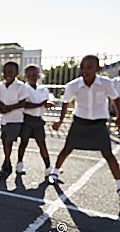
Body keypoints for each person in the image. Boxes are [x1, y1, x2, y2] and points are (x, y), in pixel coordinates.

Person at [48, 55, 120, 198]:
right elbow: (66, 102)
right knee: (67, 148)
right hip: (80, 123)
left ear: (98, 69)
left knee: (108, 154)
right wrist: (60, 121)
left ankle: (119, 185)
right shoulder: (73, 85)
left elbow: (115, 99)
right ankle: (54, 172)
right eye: (82, 67)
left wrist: (119, 116)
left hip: (99, 125)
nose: (85, 70)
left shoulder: (106, 83)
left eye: (89, 67)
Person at [16, 64, 55, 176]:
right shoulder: (23, 88)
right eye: (29, 75)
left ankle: (48, 167)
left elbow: (48, 100)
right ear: (25, 77)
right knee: (24, 142)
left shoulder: (43, 89)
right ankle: (19, 164)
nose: (32, 77)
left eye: (34, 75)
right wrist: (40, 104)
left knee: (42, 143)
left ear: (38, 76)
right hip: (27, 120)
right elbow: (24, 105)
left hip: (38, 120)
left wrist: (48, 103)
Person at [0, 61, 29, 178]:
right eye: (5, 72)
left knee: (9, 141)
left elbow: (23, 103)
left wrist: (10, 108)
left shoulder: (20, 86)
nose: (7, 74)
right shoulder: (1, 85)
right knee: (4, 142)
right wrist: (1, 108)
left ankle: (7, 164)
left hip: (16, 120)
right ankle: (6, 163)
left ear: (17, 73)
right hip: (4, 120)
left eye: (10, 72)